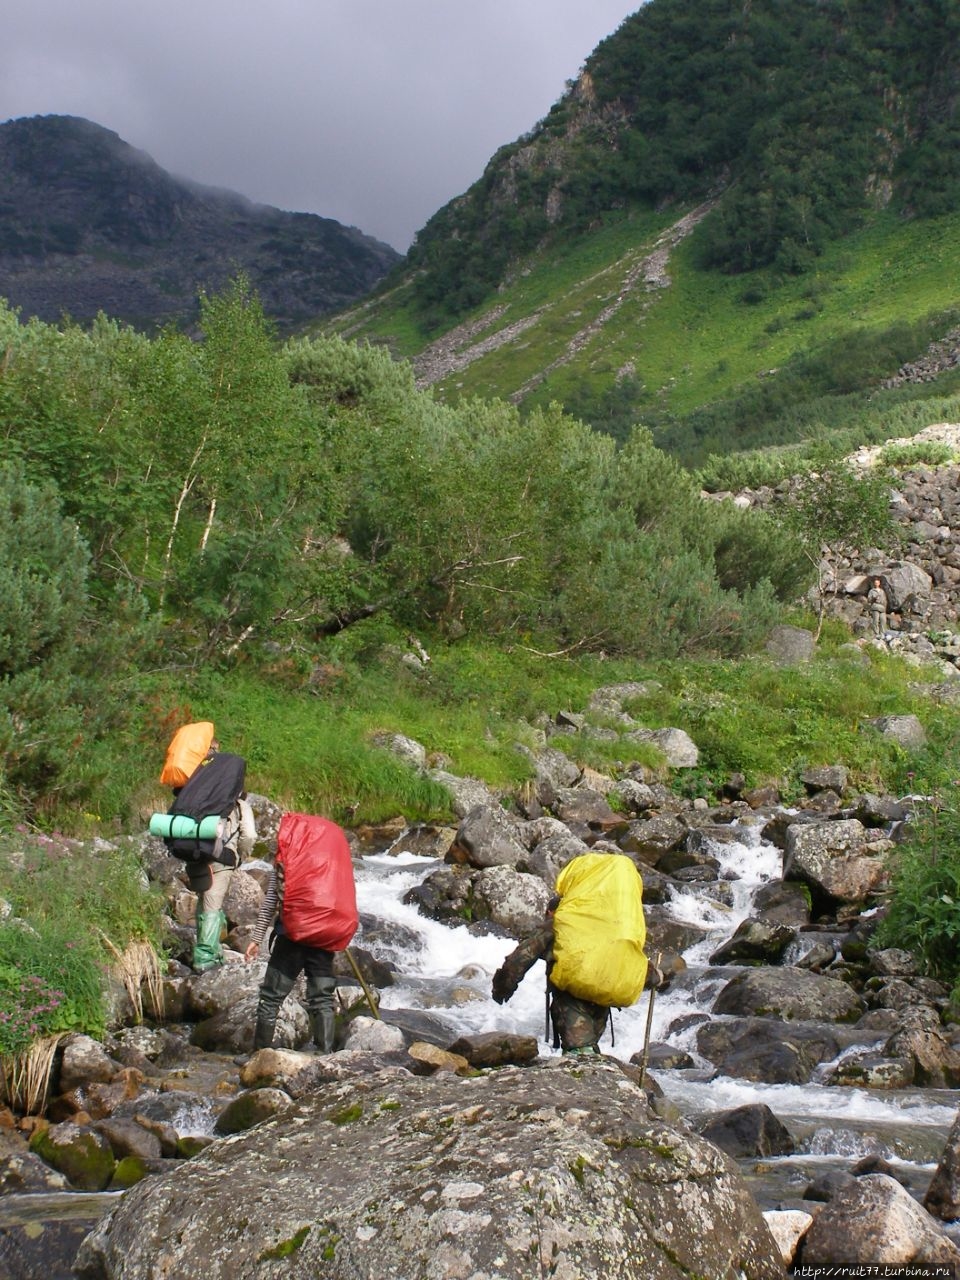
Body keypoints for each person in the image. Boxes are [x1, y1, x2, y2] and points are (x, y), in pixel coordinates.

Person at [491, 896, 609, 1055]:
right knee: (588, 1048)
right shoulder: (598, 927)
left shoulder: (556, 925)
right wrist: (653, 979)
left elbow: (519, 959)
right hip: (603, 997)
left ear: (550, 912)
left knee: (580, 1053)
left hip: (571, 1001)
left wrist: (502, 989)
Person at [244, 860, 339, 1053]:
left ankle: (259, 1054)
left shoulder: (288, 853)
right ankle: (326, 1056)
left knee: (271, 996)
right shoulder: (329, 857)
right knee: (322, 999)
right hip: (323, 934)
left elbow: (272, 900)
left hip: (291, 935)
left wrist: (257, 938)